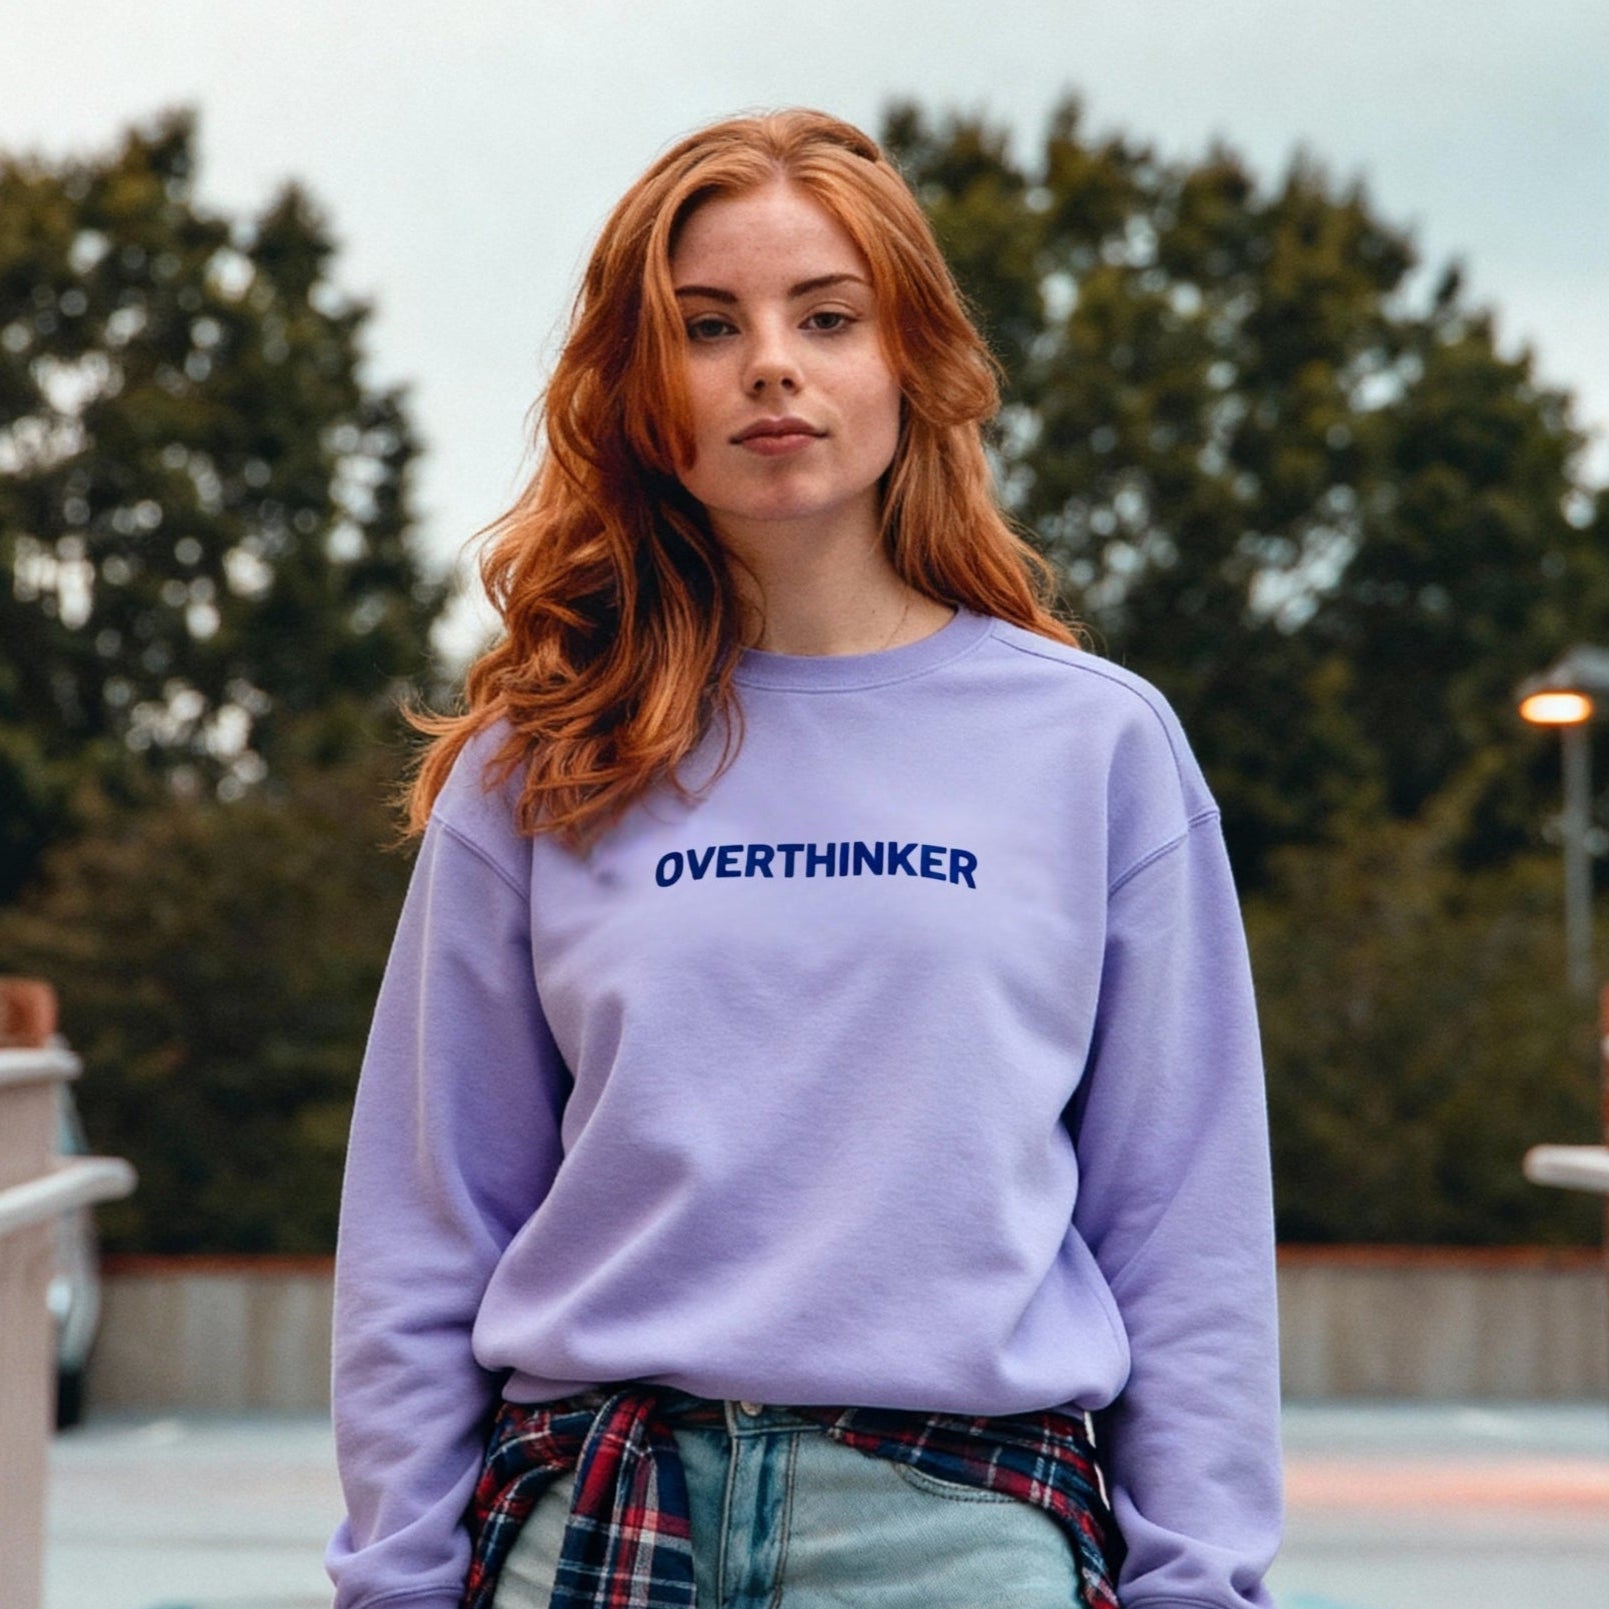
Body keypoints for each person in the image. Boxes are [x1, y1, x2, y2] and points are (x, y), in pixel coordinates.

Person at [325, 107, 1283, 1609]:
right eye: (707, 327)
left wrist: (1198, 1580)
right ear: (643, 391)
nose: (769, 362)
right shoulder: (536, 762)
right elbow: (425, 1217)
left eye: (824, 317)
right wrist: (392, 1577)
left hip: (960, 1529)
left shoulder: (1093, 747)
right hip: (592, 1516)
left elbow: (1184, 1223)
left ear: (910, 358)